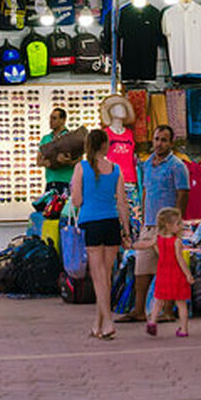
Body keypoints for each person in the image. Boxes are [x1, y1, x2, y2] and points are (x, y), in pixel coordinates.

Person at [119, 123, 189, 324]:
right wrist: (142, 219)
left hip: (166, 226)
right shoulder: (147, 164)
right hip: (148, 225)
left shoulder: (177, 166)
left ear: (171, 143)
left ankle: (168, 311)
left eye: (164, 140)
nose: (159, 144)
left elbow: (183, 194)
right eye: (157, 139)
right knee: (141, 269)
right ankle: (139, 310)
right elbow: (146, 192)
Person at [68, 127, 130, 341]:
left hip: (91, 223)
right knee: (106, 276)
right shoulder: (116, 169)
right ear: (105, 145)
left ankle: (109, 322)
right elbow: (122, 203)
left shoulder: (81, 168)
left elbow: (76, 201)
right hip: (111, 223)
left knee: (98, 278)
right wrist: (127, 230)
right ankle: (98, 324)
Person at [145, 206, 192, 338]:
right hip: (176, 274)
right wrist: (188, 274)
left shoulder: (158, 239)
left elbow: (152, 249)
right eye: (178, 223)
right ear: (169, 225)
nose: (181, 225)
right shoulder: (177, 242)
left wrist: (131, 245)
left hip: (162, 273)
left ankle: (152, 322)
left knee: (159, 300)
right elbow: (180, 260)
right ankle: (184, 329)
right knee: (181, 303)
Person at [38, 107, 76, 191]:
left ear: (63, 120)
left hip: (66, 182)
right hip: (50, 183)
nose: (50, 121)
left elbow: (79, 159)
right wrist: (46, 163)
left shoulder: (71, 137)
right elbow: (38, 161)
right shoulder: (45, 138)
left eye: (54, 118)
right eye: (50, 118)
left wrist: (69, 162)